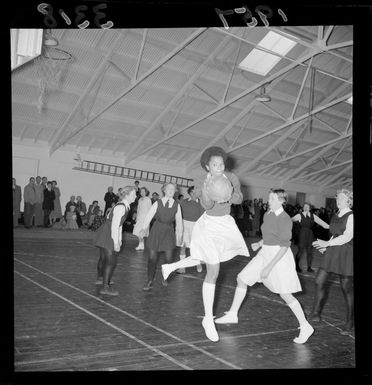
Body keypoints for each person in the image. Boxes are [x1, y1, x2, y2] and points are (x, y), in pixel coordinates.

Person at [161, 146, 249, 342]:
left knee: (203, 259)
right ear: (208, 166)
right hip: (208, 224)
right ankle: (208, 318)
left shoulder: (231, 177)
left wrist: (229, 194)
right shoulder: (202, 181)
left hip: (225, 224)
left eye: (221, 164)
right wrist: (211, 191)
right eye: (215, 164)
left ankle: (171, 266)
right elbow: (207, 206)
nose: (219, 167)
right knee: (213, 269)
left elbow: (239, 198)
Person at [214, 188, 314, 345]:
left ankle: (305, 326)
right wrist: (259, 243)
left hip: (278, 257)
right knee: (242, 279)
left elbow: (284, 246)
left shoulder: (285, 219)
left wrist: (269, 267)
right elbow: (268, 236)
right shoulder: (267, 215)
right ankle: (233, 313)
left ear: (282, 201)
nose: (269, 201)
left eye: (273, 199)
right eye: (269, 198)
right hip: (265, 252)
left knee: (285, 294)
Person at [310, 189, 354, 334]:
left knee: (346, 289)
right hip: (333, 251)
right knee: (319, 281)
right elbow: (335, 234)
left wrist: (327, 244)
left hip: (346, 253)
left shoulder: (351, 216)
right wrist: (326, 245)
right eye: (337, 197)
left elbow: (347, 236)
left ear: (349, 201)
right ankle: (315, 313)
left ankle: (349, 322)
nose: (338, 199)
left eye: (342, 198)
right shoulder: (335, 215)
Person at [139, 182, 183, 291]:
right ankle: (149, 280)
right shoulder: (157, 203)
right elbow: (149, 216)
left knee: (168, 258)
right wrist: (143, 229)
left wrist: (180, 235)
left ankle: (165, 277)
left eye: (173, 189)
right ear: (164, 190)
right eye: (169, 189)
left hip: (168, 232)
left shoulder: (177, 205)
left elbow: (179, 222)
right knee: (152, 258)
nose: (171, 191)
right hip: (157, 230)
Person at [93, 186, 137, 296]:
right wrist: (116, 242)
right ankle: (105, 287)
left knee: (104, 258)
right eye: (134, 194)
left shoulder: (124, 205)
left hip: (107, 231)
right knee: (111, 261)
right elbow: (114, 226)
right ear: (127, 195)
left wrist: (120, 239)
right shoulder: (121, 207)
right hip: (108, 233)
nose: (135, 196)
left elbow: (119, 225)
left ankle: (101, 279)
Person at [291, 202, 330, 273]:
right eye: (304, 206)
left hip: (310, 235)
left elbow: (322, 223)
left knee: (309, 252)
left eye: (307, 206)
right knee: (300, 251)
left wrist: (331, 227)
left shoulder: (313, 216)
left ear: (310, 208)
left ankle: (309, 268)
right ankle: (296, 267)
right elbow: (290, 220)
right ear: (303, 208)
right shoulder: (299, 215)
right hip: (302, 234)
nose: (306, 208)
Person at [178, 185, 205, 274]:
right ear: (189, 193)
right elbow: (178, 214)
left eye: (195, 192)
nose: (194, 194)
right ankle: (182, 267)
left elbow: (203, 218)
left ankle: (198, 263)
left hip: (196, 226)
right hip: (184, 225)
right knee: (183, 246)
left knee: (195, 247)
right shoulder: (183, 202)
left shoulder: (202, 204)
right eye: (192, 192)